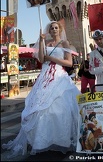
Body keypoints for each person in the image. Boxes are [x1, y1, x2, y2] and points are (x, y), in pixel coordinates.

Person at [2, 21, 81, 158]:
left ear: (60, 29)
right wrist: (41, 42)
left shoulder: (64, 43)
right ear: (49, 31)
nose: (54, 29)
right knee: (38, 107)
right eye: (52, 28)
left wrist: (51, 58)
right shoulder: (46, 42)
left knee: (61, 108)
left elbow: (69, 63)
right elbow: (40, 58)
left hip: (58, 76)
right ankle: (42, 139)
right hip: (45, 76)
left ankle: (61, 138)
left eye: (56, 28)